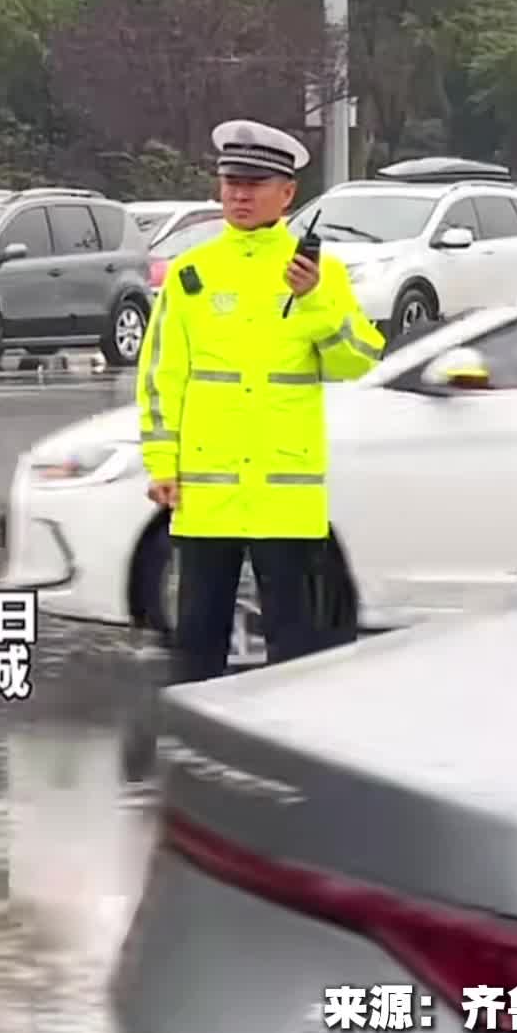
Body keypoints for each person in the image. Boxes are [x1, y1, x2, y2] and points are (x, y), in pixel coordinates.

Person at [135, 117, 385, 685]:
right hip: (206, 496)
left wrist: (315, 298)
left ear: (287, 193)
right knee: (197, 647)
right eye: (231, 184)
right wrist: (161, 463)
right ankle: (192, 754)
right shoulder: (192, 274)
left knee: (292, 652)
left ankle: (284, 749)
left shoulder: (322, 273)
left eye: (254, 185)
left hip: (284, 497)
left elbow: (356, 360)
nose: (240, 196)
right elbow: (160, 376)